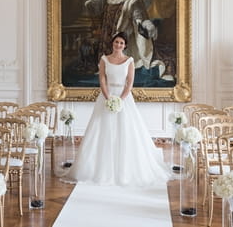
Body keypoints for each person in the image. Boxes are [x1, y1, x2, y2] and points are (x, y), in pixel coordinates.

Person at [65, 32, 169, 186]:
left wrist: (120, 99)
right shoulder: (104, 59)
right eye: (116, 42)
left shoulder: (130, 61)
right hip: (106, 97)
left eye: (121, 43)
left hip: (124, 98)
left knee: (127, 131)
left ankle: (126, 169)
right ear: (112, 43)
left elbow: (129, 83)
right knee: (101, 131)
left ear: (125, 45)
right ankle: (97, 168)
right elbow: (102, 79)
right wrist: (108, 97)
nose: (118, 45)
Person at [84, 0, 173, 82]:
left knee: (122, 47)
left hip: (123, 25)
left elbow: (136, 11)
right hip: (109, 25)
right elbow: (104, 1)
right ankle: (107, 70)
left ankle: (121, 71)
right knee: (108, 48)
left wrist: (140, 22)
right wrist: (93, 2)